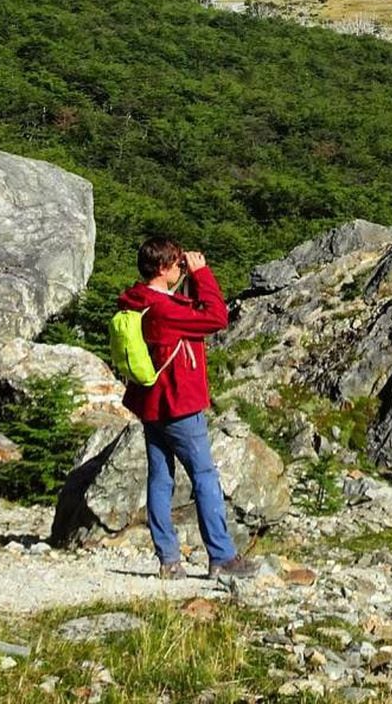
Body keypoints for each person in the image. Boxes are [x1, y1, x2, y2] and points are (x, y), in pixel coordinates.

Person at [117, 236, 257, 580]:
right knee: (205, 478)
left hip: (151, 405)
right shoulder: (164, 310)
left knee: (160, 479)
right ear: (163, 268)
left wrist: (190, 279)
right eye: (178, 264)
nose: (183, 267)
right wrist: (203, 273)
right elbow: (215, 317)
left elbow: (188, 312)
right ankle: (222, 557)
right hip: (178, 405)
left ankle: (169, 560)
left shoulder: (140, 301)